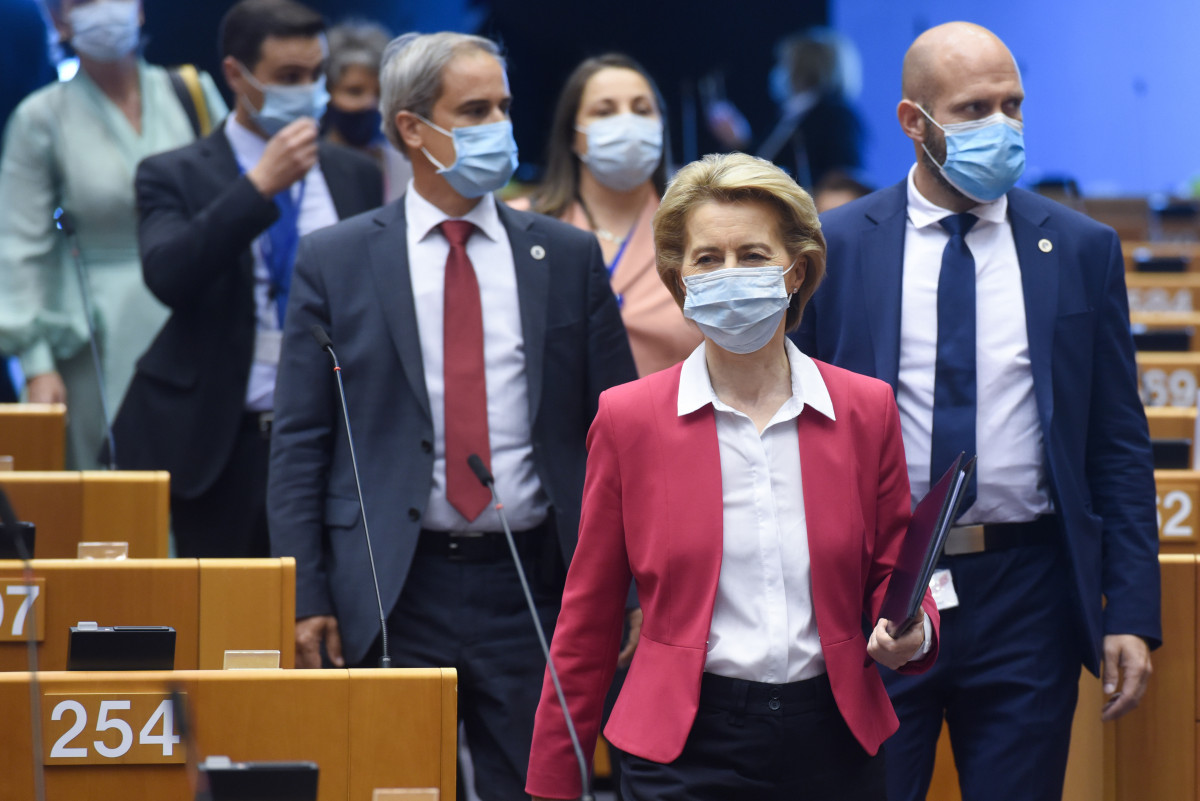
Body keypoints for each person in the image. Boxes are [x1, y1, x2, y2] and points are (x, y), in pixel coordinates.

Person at [792, 22, 1161, 801]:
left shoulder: (1081, 247)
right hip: (882, 586)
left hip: (1028, 589)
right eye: (973, 109)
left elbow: (1117, 444)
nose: (1002, 126)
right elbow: (805, 437)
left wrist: (1130, 607)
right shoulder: (840, 246)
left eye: (1013, 105)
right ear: (911, 122)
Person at [267, 31, 636, 801]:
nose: (498, 125)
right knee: (394, 787)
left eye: (503, 106)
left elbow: (618, 440)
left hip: (534, 581)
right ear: (412, 127)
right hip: (393, 583)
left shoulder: (564, 257)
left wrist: (628, 590)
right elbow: (301, 440)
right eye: (474, 110)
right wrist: (307, 595)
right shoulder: (335, 260)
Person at [526, 152, 940, 801]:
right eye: (707, 259)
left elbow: (897, 566)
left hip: (833, 738)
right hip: (684, 746)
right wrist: (552, 779)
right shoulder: (629, 418)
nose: (730, 274)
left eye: (752, 255)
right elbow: (590, 616)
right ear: (680, 278)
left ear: (795, 270)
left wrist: (915, 628)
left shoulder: (865, 408)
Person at [108, 0, 382, 557]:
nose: (307, 91)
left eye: (314, 76)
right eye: (287, 78)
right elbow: (169, 275)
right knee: (222, 618)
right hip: (219, 440)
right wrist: (257, 187)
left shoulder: (353, 173)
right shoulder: (172, 172)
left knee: (320, 621)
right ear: (235, 74)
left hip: (329, 440)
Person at [0, 0, 227, 467]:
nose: (104, 9)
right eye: (82, 2)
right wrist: (37, 363)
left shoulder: (192, 92)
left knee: (205, 478)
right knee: (114, 490)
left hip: (201, 312)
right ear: (59, 20)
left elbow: (234, 200)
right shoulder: (40, 116)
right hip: (96, 334)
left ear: (141, 10)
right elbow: (19, 246)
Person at [524, 53, 701, 377]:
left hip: (674, 421)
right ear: (573, 134)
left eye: (642, 110)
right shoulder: (523, 227)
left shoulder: (700, 228)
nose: (627, 123)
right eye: (605, 111)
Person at [706, 27, 865, 189]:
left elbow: (842, 178)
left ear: (805, 68)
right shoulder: (792, 114)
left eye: (785, 63)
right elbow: (769, 162)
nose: (778, 71)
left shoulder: (836, 116)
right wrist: (740, 142)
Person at [322, 18, 412, 201]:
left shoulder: (409, 168)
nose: (370, 104)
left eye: (380, 93)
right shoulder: (306, 167)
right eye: (354, 91)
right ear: (326, 92)